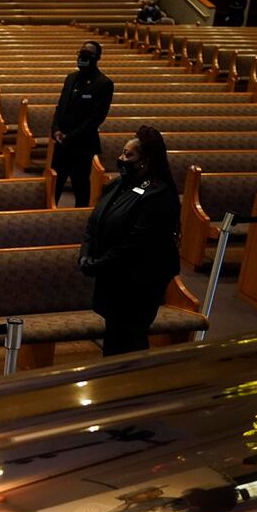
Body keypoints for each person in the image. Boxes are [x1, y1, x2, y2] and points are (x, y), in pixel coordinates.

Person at [80, 126, 180, 357]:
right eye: (122, 153)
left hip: (138, 282)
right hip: (113, 277)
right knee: (115, 336)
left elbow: (137, 244)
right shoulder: (118, 185)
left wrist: (99, 263)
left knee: (130, 339)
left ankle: (129, 385)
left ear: (145, 160)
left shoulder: (159, 194)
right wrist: (86, 254)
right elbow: (94, 222)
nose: (121, 159)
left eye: (128, 155)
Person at [51, 41, 114, 208]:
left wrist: (69, 137)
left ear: (96, 58)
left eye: (87, 55)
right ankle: (50, 215)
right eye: (81, 53)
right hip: (61, 143)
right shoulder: (71, 78)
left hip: (82, 145)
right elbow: (61, 107)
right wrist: (56, 129)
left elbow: (96, 119)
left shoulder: (103, 83)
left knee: (80, 186)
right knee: (54, 183)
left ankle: (79, 219)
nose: (82, 57)